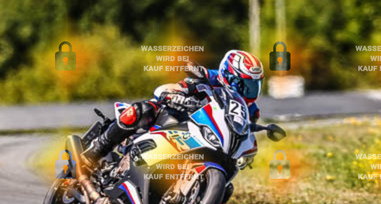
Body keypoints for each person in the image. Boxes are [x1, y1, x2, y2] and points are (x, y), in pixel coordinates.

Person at [82, 50, 265, 171]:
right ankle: (97, 150)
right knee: (143, 110)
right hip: (178, 116)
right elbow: (178, 86)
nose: (248, 91)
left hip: (207, 138)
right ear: (228, 75)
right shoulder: (211, 77)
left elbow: (244, 132)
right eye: (243, 84)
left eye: (253, 85)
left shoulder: (251, 110)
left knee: (228, 183)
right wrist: (175, 95)